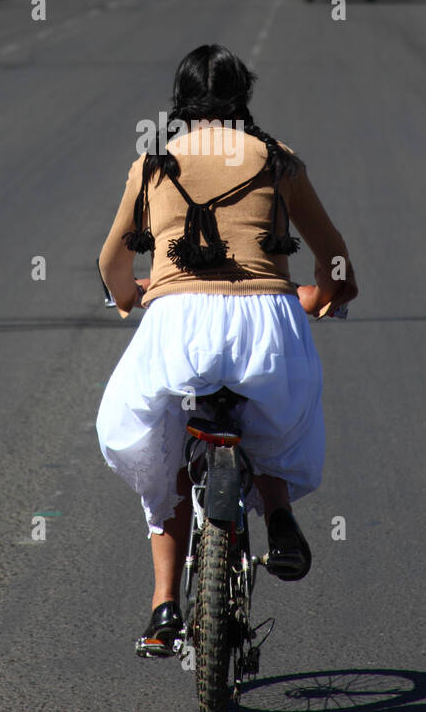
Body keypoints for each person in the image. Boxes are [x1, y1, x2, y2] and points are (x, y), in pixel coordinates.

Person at [96, 45, 358, 655]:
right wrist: (320, 297)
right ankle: (281, 520)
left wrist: (131, 296)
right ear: (243, 98)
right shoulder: (276, 159)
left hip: (176, 329)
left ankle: (164, 608)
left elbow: (112, 263)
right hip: (266, 326)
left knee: (161, 458)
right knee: (266, 418)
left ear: (182, 104)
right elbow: (336, 261)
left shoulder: (152, 164)